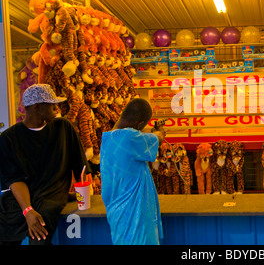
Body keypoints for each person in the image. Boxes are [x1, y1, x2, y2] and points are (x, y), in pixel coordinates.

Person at [0, 84, 90, 245]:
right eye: (52, 105)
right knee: (5, 227)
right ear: (37, 107)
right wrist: (28, 210)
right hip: (21, 197)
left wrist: (83, 194)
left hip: (52, 195)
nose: (57, 108)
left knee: (39, 236)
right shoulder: (8, 138)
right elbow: (14, 179)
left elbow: (80, 166)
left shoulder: (63, 127)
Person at [100, 98, 165, 245]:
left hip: (118, 216)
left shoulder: (108, 139)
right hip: (135, 218)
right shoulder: (129, 137)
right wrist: (159, 132)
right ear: (139, 124)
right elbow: (158, 139)